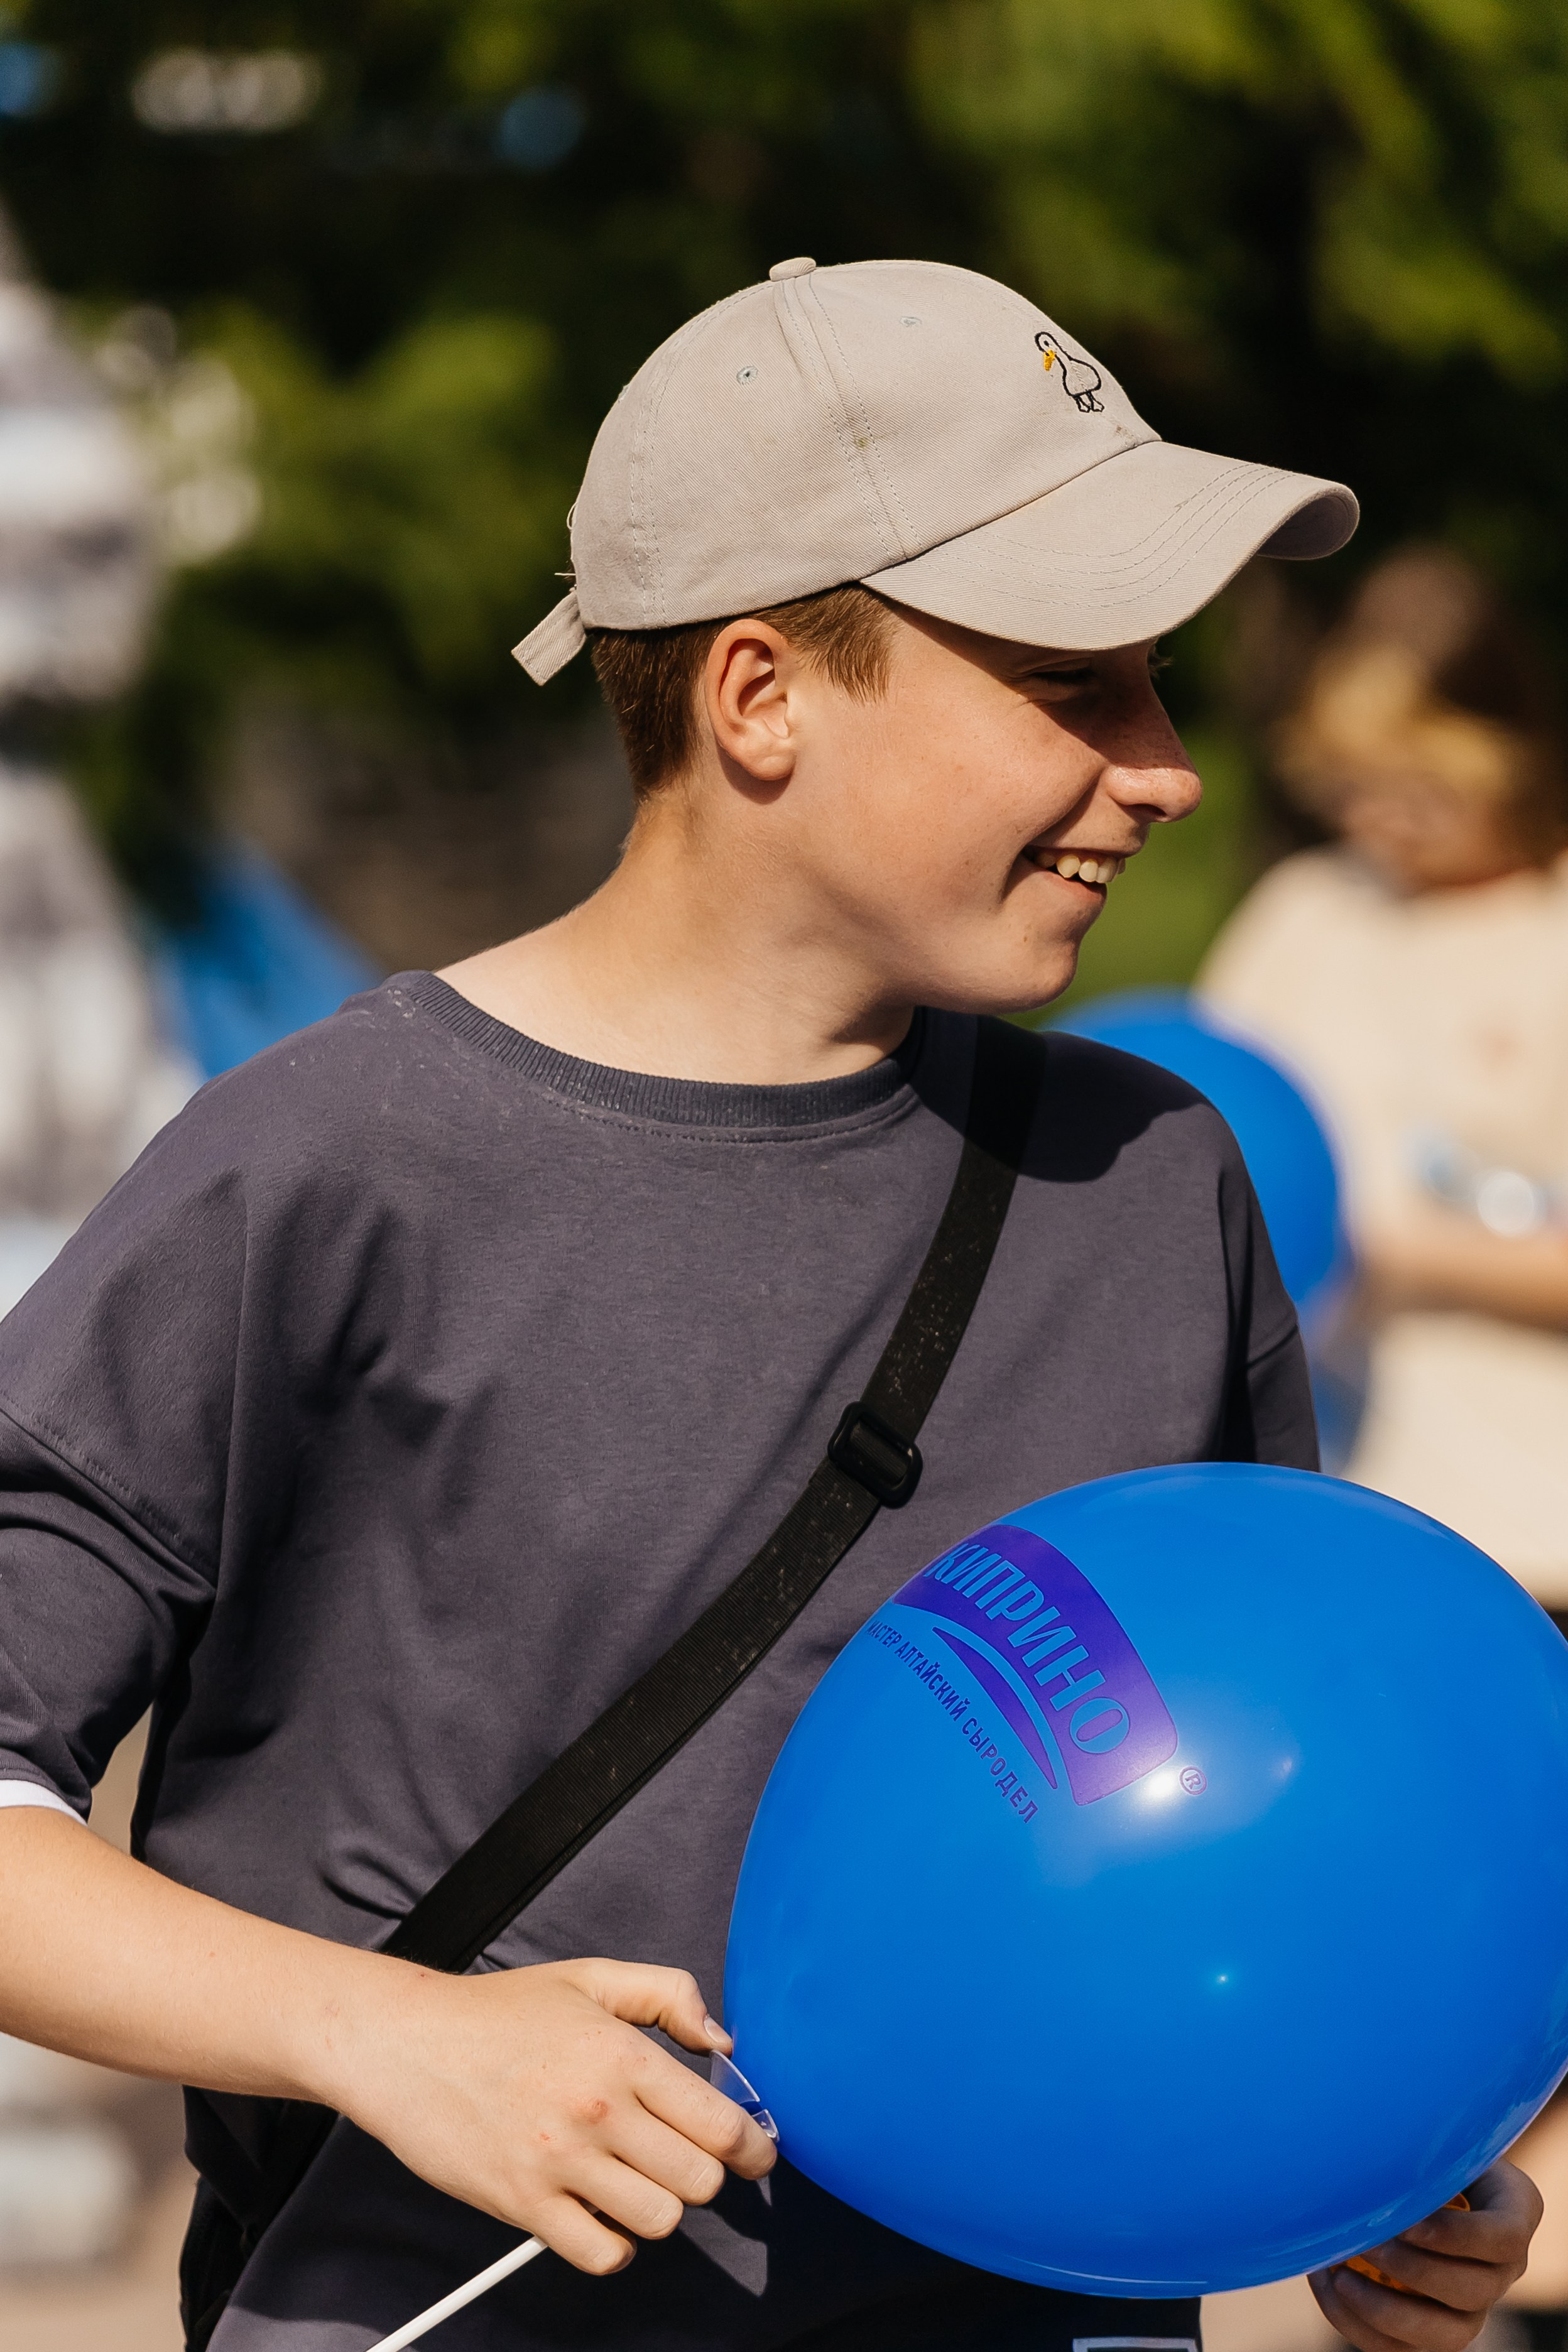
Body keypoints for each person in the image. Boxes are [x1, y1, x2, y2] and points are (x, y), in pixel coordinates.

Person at [0, 261, 1538, 2352]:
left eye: (1164, 686)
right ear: (758, 698)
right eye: (1081, 686)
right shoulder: (328, 1164)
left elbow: (1273, 1809)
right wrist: (380, 2037)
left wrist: (1368, 2173)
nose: (1169, 769)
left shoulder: (1158, 1182)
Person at [1199, 543, 1568, 2344]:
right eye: (1351, 770)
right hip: (1363, 1544)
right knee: (1425, 2002)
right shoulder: (1305, 924)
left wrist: (1411, 1246)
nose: (1387, 808)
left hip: (1549, 1537)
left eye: (1424, 760)